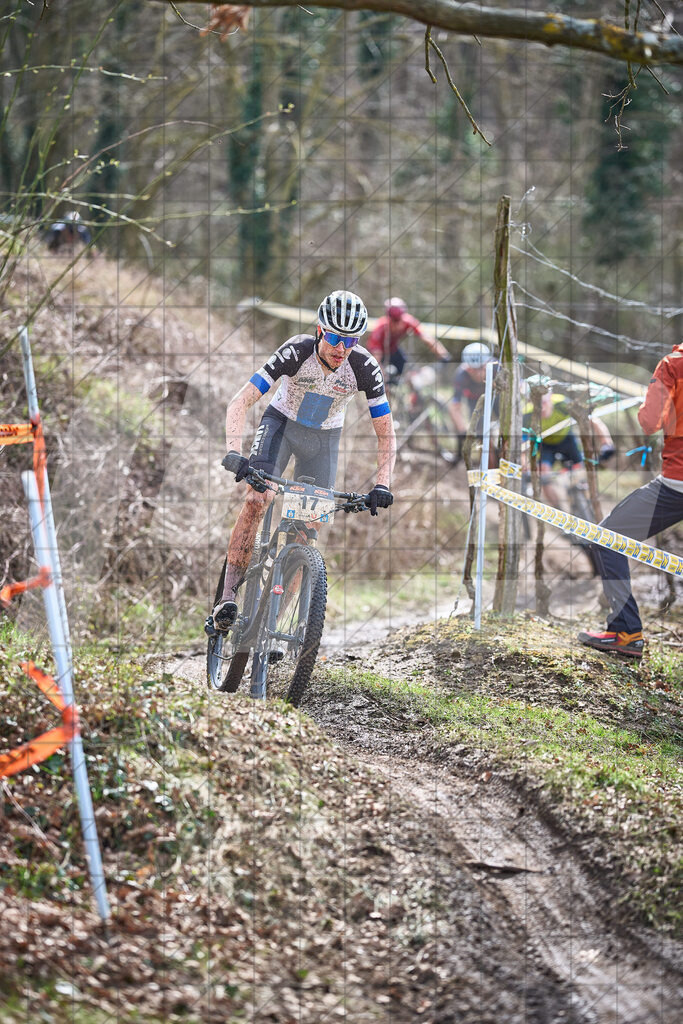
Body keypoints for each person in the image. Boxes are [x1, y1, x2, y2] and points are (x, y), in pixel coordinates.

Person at [210, 290, 396, 632]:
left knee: (308, 531)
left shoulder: (364, 367)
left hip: (324, 440)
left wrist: (383, 483)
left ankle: (274, 627)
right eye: (336, 337)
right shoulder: (296, 351)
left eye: (351, 340)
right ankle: (227, 598)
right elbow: (240, 403)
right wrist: (235, 451)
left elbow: (385, 434)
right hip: (281, 426)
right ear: (320, 330)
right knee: (257, 499)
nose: (342, 348)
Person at [578, 342, 683, 659]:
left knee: (608, 539)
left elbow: (649, 422)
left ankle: (626, 632)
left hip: (677, 482)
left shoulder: (672, 364)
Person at [522, 384, 614, 509]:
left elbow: (593, 421)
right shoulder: (526, 415)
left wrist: (606, 443)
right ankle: (558, 513)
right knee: (543, 476)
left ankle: (587, 504)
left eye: (544, 402)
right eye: (536, 403)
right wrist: (524, 463)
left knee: (582, 470)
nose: (541, 407)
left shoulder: (562, 404)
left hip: (567, 441)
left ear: (551, 397)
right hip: (545, 446)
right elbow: (522, 444)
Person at [366, 297, 449, 381]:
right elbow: (376, 359)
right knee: (380, 378)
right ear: (388, 319)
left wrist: (444, 355)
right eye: (394, 321)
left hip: (393, 350)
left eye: (399, 320)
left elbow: (427, 338)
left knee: (408, 371)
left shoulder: (408, 321)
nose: (398, 325)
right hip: (378, 353)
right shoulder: (379, 328)